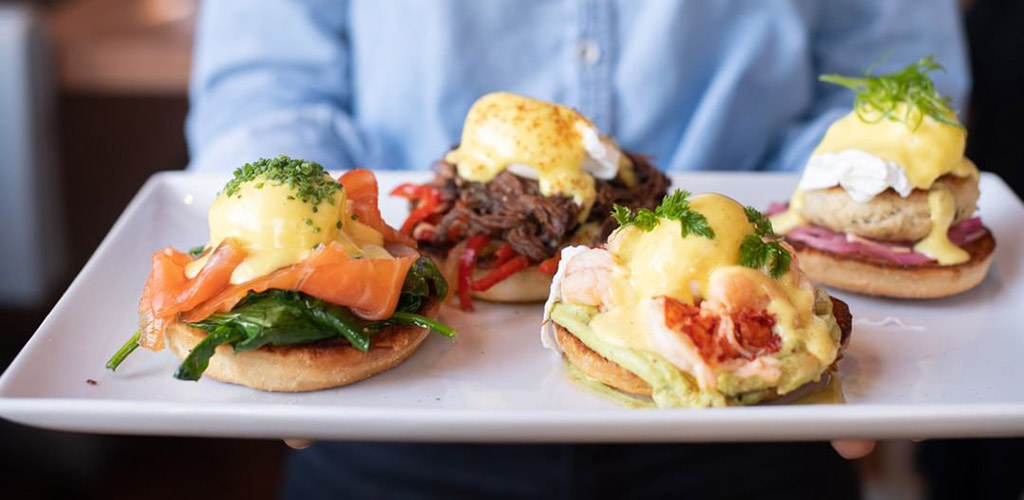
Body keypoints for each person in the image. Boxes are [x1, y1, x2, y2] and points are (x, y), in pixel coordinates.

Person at [185, 1, 968, 498]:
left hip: (750, 450)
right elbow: (268, 88)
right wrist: (294, 256)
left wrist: (803, 276)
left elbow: (884, 77)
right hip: (389, 437)